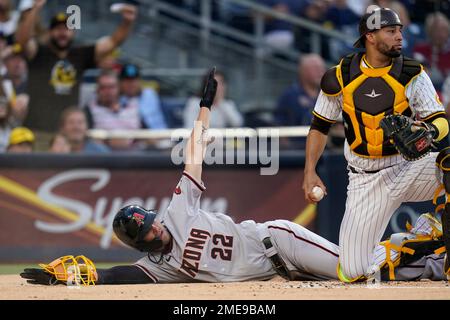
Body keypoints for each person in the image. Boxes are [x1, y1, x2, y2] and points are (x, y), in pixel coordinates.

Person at [19, 68, 448, 286]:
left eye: (145, 219)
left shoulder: (177, 211)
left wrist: (204, 108)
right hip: (277, 274)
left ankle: (424, 235)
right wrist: (68, 276)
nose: (151, 226)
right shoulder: (160, 270)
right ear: (139, 243)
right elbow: (115, 277)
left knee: (351, 271)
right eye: (142, 230)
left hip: (277, 240)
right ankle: (434, 263)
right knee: (362, 279)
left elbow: (194, 153)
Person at [302, 7, 450, 282]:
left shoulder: (412, 73)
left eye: (400, 31)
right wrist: (310, 171)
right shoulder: (340, 75)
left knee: (448, 162)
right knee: (352, 272)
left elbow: (442, 121)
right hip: (365, 179)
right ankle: (417, 238)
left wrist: (429, 130)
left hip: (408, 166)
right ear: (370, 36)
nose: (399, 37)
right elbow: (320, 126)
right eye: (391, 31)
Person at [15, 0, 137, 147]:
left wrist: (127, 22)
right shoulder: (38, 52)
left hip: (67, 135)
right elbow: (22, 41)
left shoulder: (80, 55)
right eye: (58, 29)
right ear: (50, 32)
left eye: (67, 29)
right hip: (36, 132)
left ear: (73, 32)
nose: (63, 33)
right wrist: (35, 10)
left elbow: (113, 42)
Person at [85, 70, 140, 151]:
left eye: (111, 87)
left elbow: (145, 133)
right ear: (97, 90)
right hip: (104, 156)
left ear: (119, 88)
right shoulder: (88, 110)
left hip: (135, 154)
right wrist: (108, 141)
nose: (107, 92)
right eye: (103, 88)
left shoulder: (134, 105)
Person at [119, 63, 168, 130]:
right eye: (127, 81)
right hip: (131, 137)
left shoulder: (150, 94)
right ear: (121, 82)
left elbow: (145, 120)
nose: (131, 84)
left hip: (158, 135)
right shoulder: (117, 99)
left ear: (140, 81)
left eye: (134, 80)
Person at [413, 12, 450, 87]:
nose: (440, 34)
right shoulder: (420, 50)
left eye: (443, 30)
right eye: (436, 30)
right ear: (429, 31)